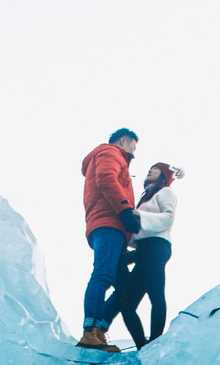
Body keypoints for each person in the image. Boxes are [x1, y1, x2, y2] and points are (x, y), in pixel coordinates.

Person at [76, 128, 140, 351]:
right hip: (108, 223)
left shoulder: (110, 156)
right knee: (103, 274)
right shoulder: (109, 152)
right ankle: (90, 331)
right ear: (124, 140)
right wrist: (125, 212)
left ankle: (98, 330)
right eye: (134, 145)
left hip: (111, 227)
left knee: (125, 287)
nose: (134, 151)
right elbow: (106, 179)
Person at [107, 162, 182, 348]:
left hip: (157, 246)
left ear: (164, 175)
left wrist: (139, 216)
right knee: (127, 304)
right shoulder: (146, 198)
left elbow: (168, 217)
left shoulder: (166, 192)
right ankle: (143, 346)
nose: (150, 170)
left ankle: (155, 341)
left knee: (155, 293)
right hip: (143, 250)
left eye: (155, 169)